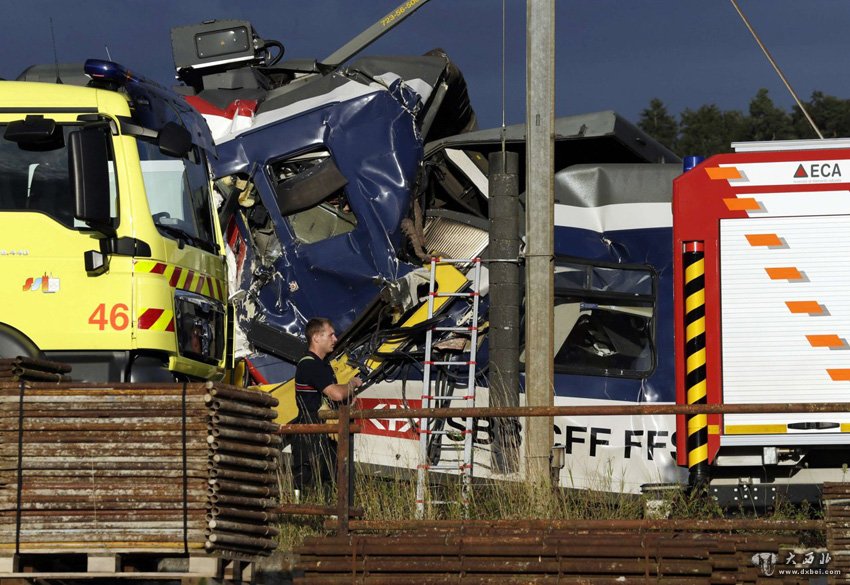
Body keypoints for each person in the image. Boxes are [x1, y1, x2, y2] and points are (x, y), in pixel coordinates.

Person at [291, 317, 363, 493]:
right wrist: (352, 384)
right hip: (311, 438)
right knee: (308, 487)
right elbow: (336, 394)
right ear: (316, 338)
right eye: (331, 335)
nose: (335, 339)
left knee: (328, 485)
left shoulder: (323, 366)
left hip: (324, 438)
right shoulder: (310, 364)